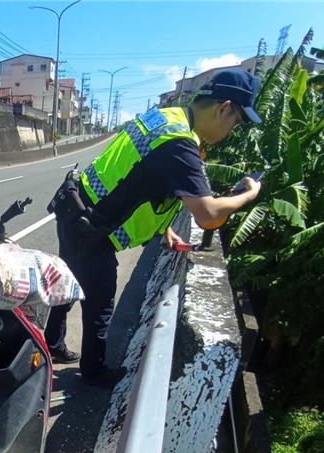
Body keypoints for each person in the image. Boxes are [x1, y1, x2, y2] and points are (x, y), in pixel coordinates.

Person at [45, 69, 263, 387]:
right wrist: (247, 195)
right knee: (100, 303)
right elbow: (208, 215)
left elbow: (139, 177)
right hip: (91, 228)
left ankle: (52, 342)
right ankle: (92, 372)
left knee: (68, 281)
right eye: (236, 122)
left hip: (74, 205)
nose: (231, 131)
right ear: (224, 108)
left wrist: (164, 229)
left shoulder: (166, 118)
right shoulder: (181, 143)